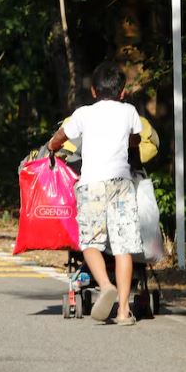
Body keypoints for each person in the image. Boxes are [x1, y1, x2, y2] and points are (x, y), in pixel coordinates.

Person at [46, 61, 142, 325]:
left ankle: (104, 284)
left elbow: (59, 138)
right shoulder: (130, 111)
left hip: (92, 184)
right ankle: (123, 311)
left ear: (93, 91)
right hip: (121, 184)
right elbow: (136, 140)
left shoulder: (83, 114)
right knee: (123, 246)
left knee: (89, 242)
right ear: (122, 92)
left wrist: (51, 148)